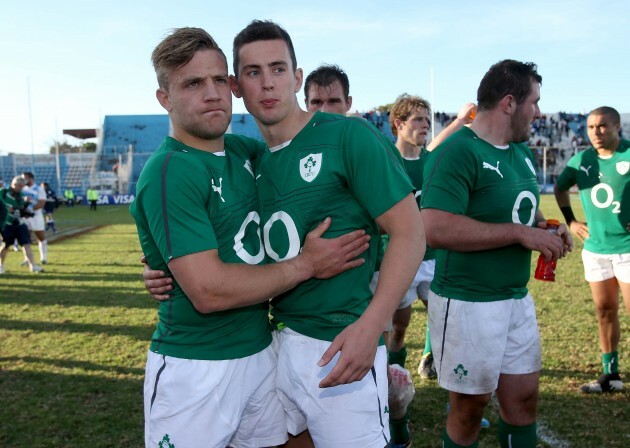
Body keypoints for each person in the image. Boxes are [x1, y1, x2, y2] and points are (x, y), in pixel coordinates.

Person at [132, 27, 370, 448]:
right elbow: (208, 291)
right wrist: (306, 265)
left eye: (218, 80)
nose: (212, 94)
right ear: (164, 99)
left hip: (261, 353)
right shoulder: (170, 171)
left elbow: (308, 158)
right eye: (192, 83)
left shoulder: (245, 152)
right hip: (196, 365)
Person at [229, 20, 425, 447]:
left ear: (297, 78)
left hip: (341, 343)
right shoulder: (251, 160)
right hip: (270, 344)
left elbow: (410, 234)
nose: (268, 84)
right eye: (253, 72)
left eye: (278, 69)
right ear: (236, 86)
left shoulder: (348, 136)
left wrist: (372, 326)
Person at [421, 59, 573, 448]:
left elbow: (522, 212)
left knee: (523, 401)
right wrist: (519, 234)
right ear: (509, 102)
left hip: (515, 299)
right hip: (468, 301)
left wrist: (545, 228)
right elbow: (434, 227)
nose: (539, 113)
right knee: (469, 411)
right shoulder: (457, 152)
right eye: (534, 102)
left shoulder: (519, 153)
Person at [554, 106, 630, 393]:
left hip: (627, 248)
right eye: (590, 127)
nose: (596, 132)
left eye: (602, 126)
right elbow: (561, 188)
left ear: (616, 127)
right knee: (605, 311)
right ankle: (610, 375)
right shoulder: (582, 159)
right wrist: (570, 221)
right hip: (596, 249)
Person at [0, 176, 44, 274]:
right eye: (18, 186)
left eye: (21, 186)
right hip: (7, 224)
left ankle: (33, 265)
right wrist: (7, 209)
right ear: (13, 184)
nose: (19, 188)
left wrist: (25, 207)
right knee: (5, 246)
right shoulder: (3, 192)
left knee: (26, 244)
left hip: (19, 223)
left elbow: (20, 209)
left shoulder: (21, 196)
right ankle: (1, 265)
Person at [21, 172, 48, 264]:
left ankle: (43, 258)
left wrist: (30, 209)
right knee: (25, 238)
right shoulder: (22, 189)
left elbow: (41, 203)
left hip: (36, 216)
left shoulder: (39, 189)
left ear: (30, 178)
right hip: (25, 217)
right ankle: (27, 259)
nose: (23, 180)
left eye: (24, 178)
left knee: (40, 237)